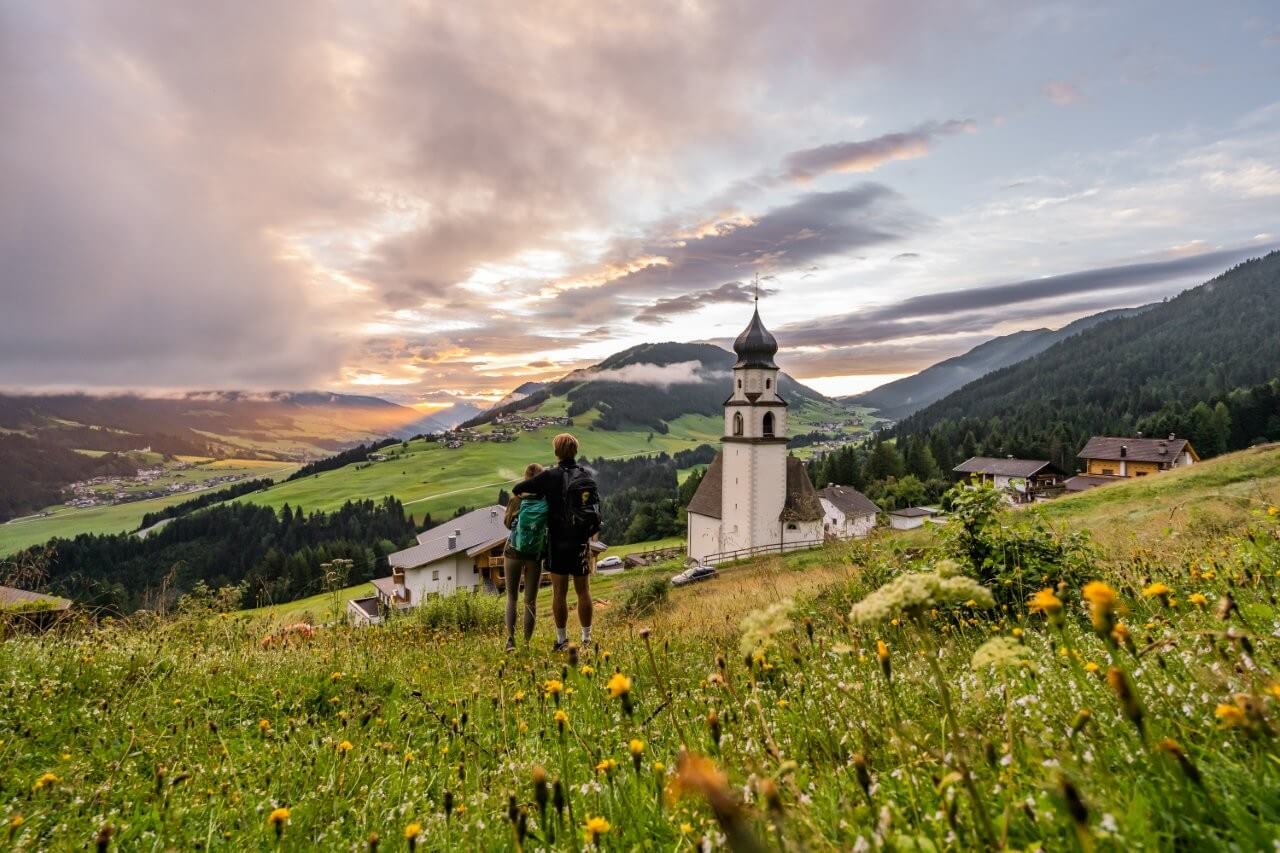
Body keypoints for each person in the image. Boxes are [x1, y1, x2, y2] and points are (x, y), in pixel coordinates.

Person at [512, 433, 601, 651]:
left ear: (556, 452)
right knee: (583, 591)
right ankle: (587, 638)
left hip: (558, 542)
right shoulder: (585, 475)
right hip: (581, 542)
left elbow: (518, 489)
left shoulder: (549, 476)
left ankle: (561, 640)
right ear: (575, 451)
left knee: (559, 593)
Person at [502, 463, 547, 652]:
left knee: (512, 597)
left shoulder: (517, 499)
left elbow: (507, 523)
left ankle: (510, 640)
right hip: (534, 554)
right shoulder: (546, 500)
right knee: (530, 601)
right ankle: (527, 643)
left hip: (513, 551)